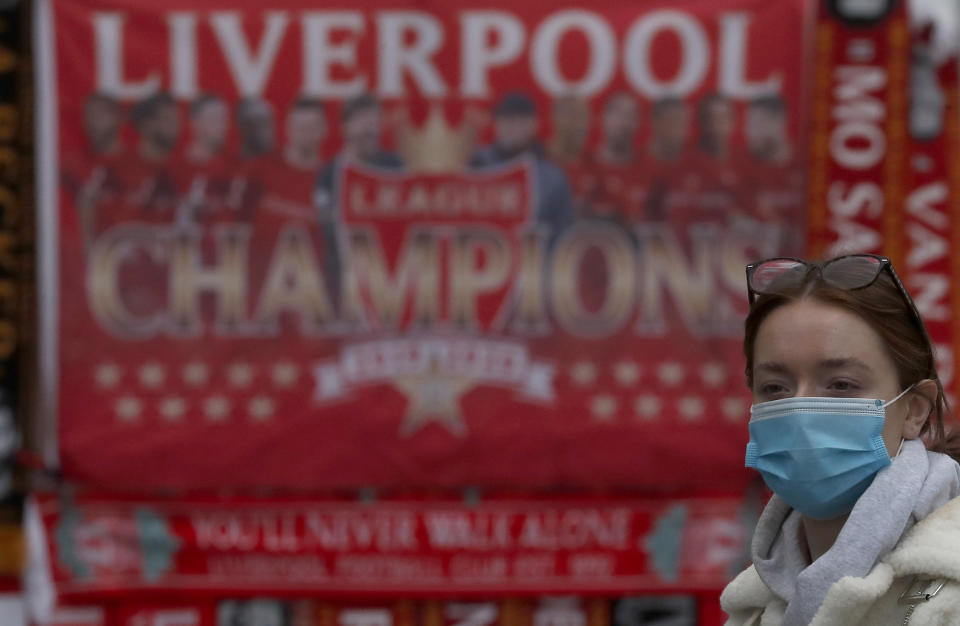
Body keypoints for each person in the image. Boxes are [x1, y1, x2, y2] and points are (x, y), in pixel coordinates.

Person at [722, 254, 960, 624]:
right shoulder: (751, 607)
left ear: (914, 410)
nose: (801, 411)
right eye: (774, 387)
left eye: (841, 385)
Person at [469, 91, 574, 240]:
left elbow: (562, 236)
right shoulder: (477, 166)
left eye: (517, 120)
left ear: (533, 124)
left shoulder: (553, 179)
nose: (509, 127)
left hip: (534, 260)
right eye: (504, 119)